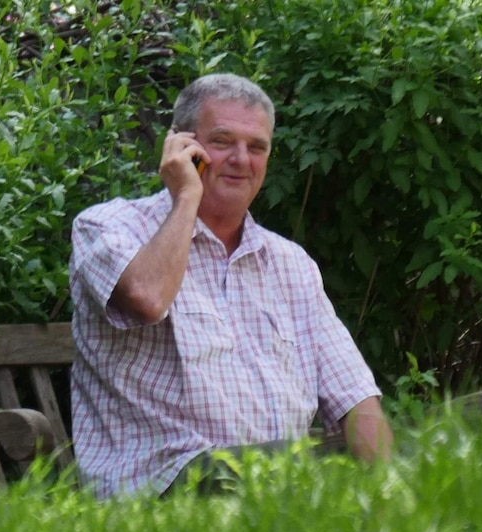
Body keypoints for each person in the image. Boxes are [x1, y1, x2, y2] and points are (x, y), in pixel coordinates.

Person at [68, 73, 393, 499]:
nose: (242, 159)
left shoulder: (291, 264)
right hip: (158, 484)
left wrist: (390, 494)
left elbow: (356, 398)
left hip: (275, 483)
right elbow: (147, 298)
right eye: (223, 142)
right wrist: (187, 196)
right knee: (296, 476)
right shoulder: (108, 227)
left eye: (257, 147)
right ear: (181, 148)